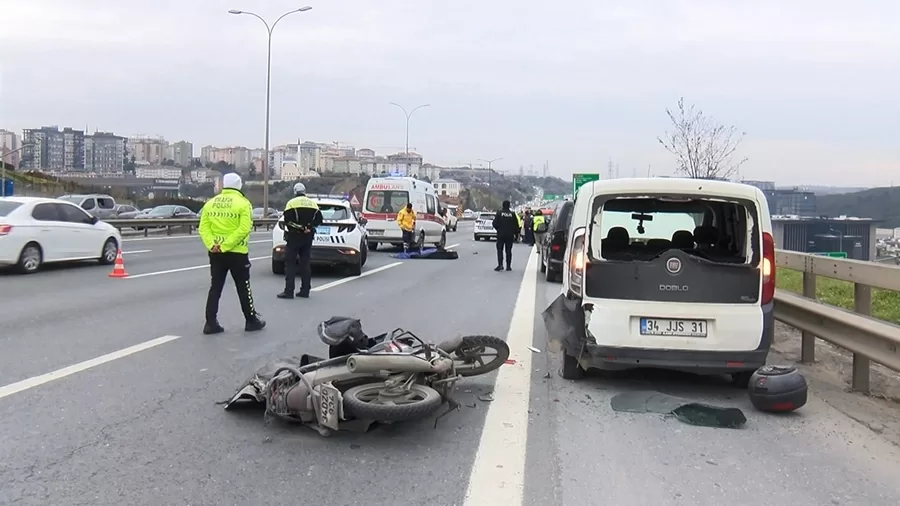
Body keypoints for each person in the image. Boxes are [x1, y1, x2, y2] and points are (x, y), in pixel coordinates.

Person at [198, 172, 265, 335]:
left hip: (215, 253)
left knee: (215, 287)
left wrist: (213, 245)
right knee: (243, 287)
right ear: (239, 185)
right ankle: (251, 320)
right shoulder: (243, 203)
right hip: (237, 253)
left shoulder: (210, 203)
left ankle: (210, 322)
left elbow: (203, 228)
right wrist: (226, 245)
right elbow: (244, 228)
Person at [278, 182, 323, 299]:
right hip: (308, 238)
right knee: (305, 263)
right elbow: (319, 220)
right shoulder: (313, 204)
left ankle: (289, 291)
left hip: (294, 237)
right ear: (304, 191)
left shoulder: (291, 203)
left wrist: (301, 228)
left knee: (290, 264)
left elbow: (287, 220)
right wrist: (309, 227)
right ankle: (305, 290)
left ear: (295, 191)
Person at [492, 200, 519, 271]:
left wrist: (498, 229)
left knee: (500, 250)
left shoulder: (499, 213)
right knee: (508, 250)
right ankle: (508, 266)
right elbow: (516, 225)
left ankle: (500, 265)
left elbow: (494, 223)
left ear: (502, 205)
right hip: (510, 235)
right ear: (509, 206)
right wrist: (515, 234)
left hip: (501, 235)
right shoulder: (512, 214)